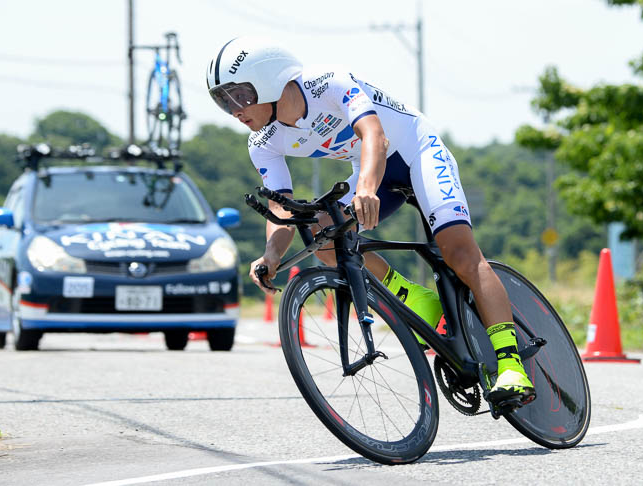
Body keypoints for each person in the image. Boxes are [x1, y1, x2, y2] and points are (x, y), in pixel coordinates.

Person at [206, 37, 535, 405]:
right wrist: (270, 255)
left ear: (268, 80)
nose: (233, 110)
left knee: (459, 253)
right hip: (370, 170)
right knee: (321, 235)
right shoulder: (262, 141)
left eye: (238, 96)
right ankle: (415, 299)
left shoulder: (327, 82)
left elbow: (373, 135)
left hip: (415, 154)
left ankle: (510, 365)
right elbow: (282, 207)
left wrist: (365, 188)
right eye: (223, 101)